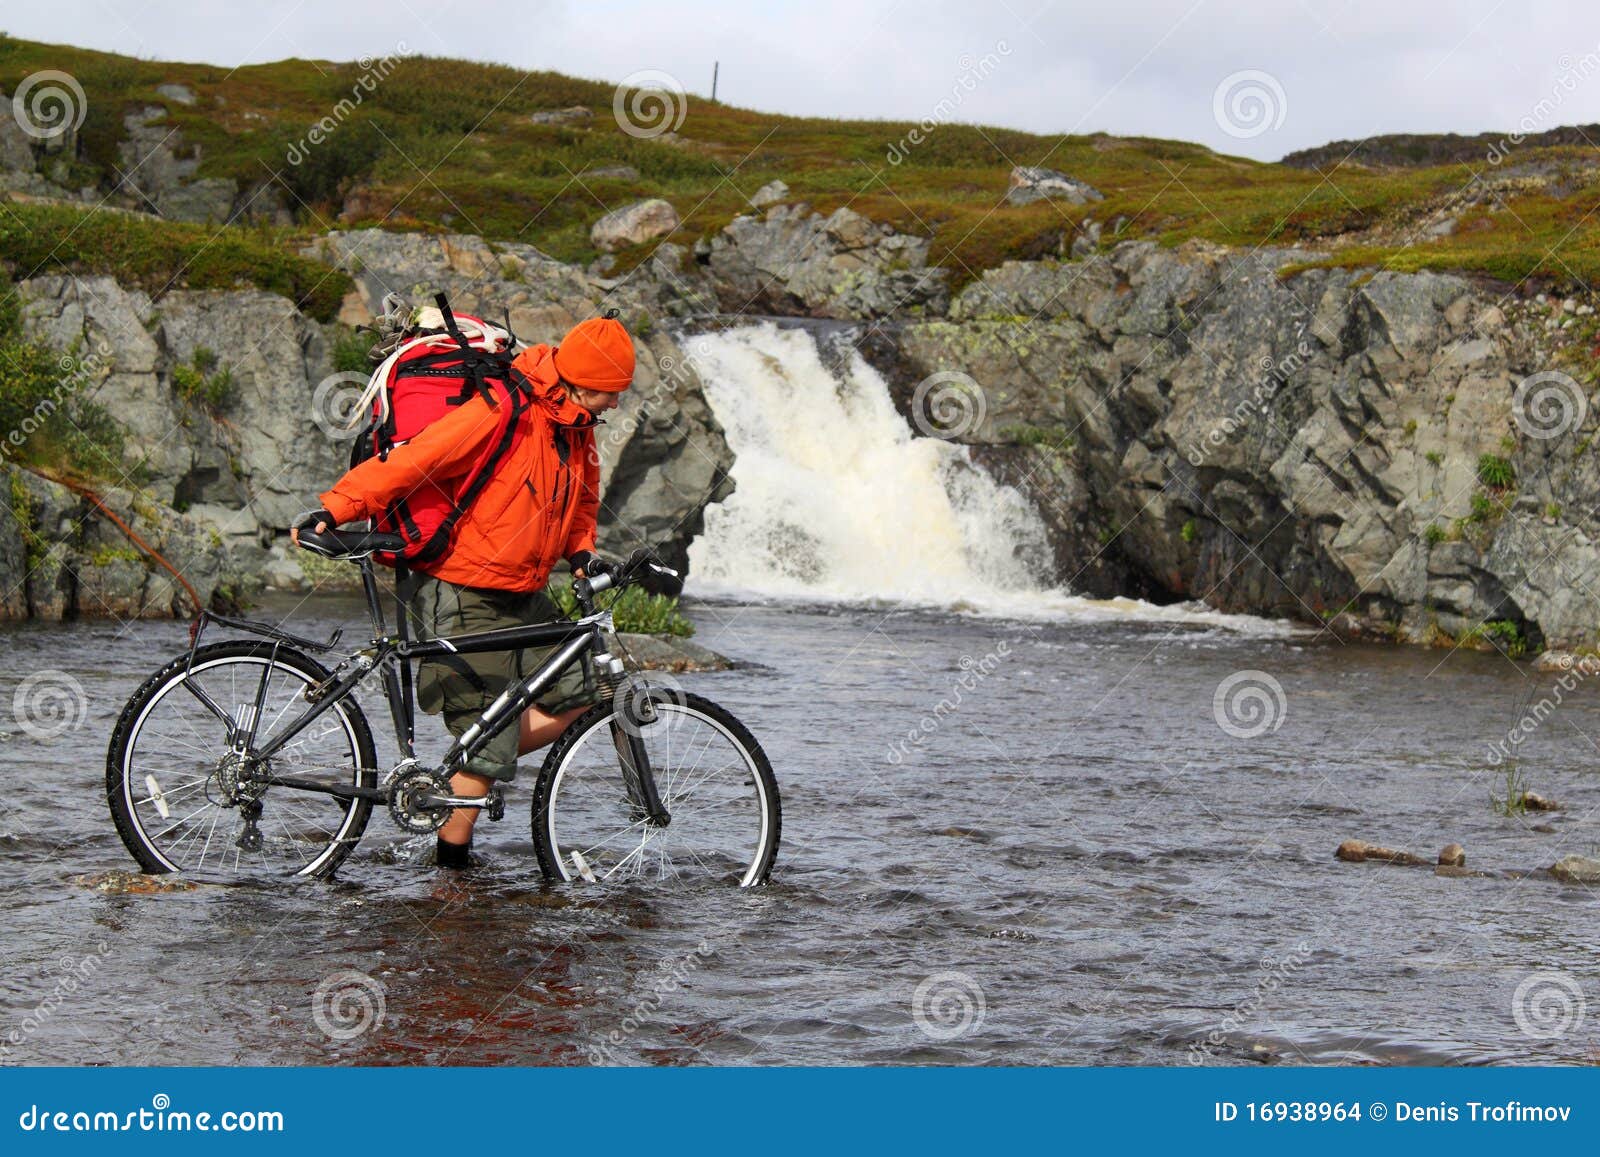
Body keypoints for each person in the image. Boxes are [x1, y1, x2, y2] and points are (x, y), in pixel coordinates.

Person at [291, 313, 634, 868]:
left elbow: (583, 504)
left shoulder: (576, 428)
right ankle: (451, 875)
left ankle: (460, 767)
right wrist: (337, 507)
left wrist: (583, 553)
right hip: (459, 588)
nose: (616, 404)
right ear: (585, 380)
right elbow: (416, 459)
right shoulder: (503, 407)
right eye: (613, 392)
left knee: (590, 689)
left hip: (523, 590)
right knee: (489, 739)